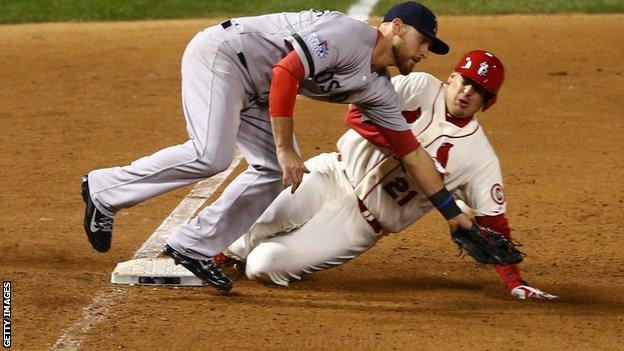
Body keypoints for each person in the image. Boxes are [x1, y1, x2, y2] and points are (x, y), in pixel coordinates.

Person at [81, 1, 475, 293]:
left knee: (270, 172)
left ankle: (191, 247)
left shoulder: (379, 88)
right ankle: (103, 190)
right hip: (223, 56)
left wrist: (450, 213)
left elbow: (411, 151)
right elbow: (287, 71)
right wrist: (286, 148)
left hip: (257, 89)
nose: (424, 53)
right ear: (396, 27)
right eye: (423, 41)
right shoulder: (350, 35)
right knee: (211, 154)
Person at [219, 50, 558, 300]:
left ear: (488, 101)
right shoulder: (420, 87)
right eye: (466, 81)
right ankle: (220, 253)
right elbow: (356, 113)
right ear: (452, 78)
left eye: (479, 89)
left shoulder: (479, 158)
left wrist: (514, 281)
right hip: (333, 173)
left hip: (360, 224)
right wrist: (407, 152)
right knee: (270, 214)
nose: (468, 92)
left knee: (263, 265)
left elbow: (493, 223)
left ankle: (259, 252)